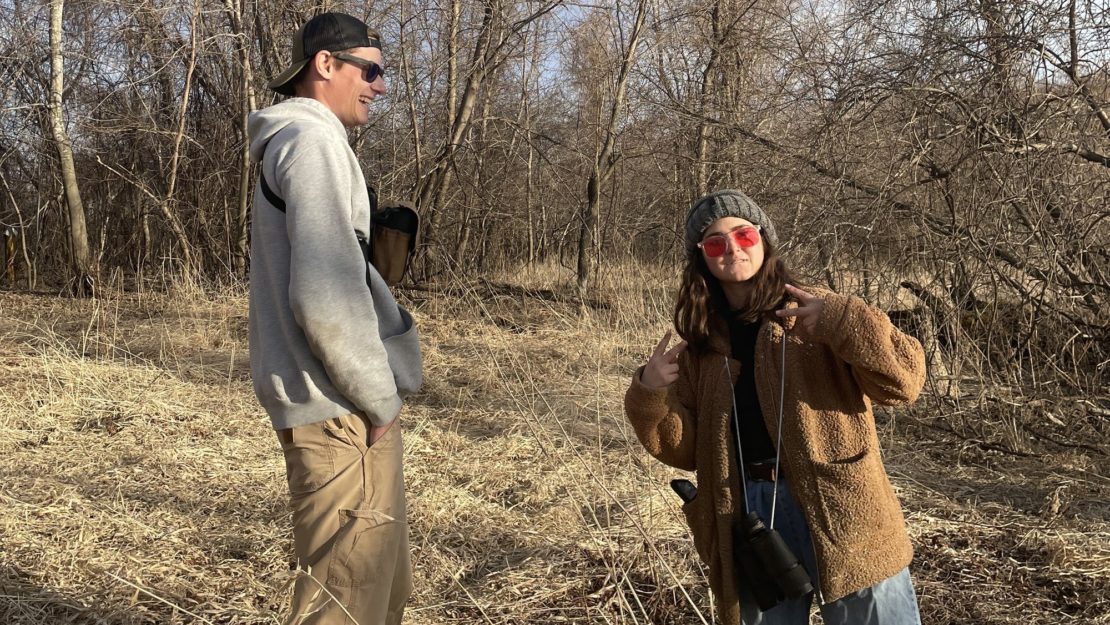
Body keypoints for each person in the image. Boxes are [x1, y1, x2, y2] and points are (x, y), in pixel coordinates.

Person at [624, 189, 926, 625]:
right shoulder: (700, 346)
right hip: (747, 512)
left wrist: (846, 321)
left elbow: (904, 383)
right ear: (701, 257)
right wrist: (650, 394)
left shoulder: (815, 310)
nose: (731, 248)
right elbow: (684, 452)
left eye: (743, 234)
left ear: (764, 238)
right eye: (714, 242)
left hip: (844, 505)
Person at [247, 12, 422, 625]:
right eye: (371, 70)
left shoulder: (302, 143)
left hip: (338, 405)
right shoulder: (313, 142)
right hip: (340, 409)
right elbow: (323, 296)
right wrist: (379, 401)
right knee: (344, 606)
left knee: (375, 595)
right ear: (326, 65)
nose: (380, 85)